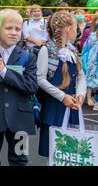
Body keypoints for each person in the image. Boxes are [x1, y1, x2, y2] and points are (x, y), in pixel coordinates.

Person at [0, 9, 38, 166]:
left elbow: (31, 86)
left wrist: (4, 71)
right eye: (8, 28)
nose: (14, 33)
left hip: (21, 119)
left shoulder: (28, 56)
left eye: (17, 29)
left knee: (20, 160)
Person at [37, 11, 86, 158]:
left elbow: (81, 76)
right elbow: (40, 79)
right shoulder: (46, 50)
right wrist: (62, 96)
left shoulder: (72, 51)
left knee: (70, 155)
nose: (77, 32)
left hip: (72, 108)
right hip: (54, 109)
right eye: (75, 28)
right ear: (68, 29)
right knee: (53, 154)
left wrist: (81, 94)